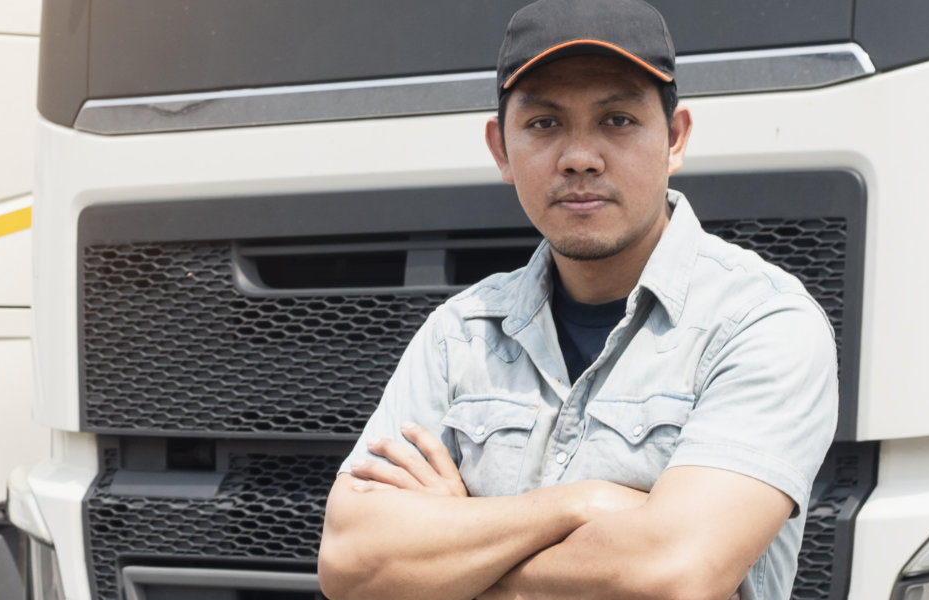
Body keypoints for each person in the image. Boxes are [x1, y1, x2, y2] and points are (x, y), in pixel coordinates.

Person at [316, 1, 837, 598]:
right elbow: (351, 561)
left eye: (617, 120)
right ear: (500, 149)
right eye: (544, 124)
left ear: (675, 138)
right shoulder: (458, 336)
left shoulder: (762, 323)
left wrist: (452, 556)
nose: (579, 157)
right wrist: (581, 505)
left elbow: (672, 576)